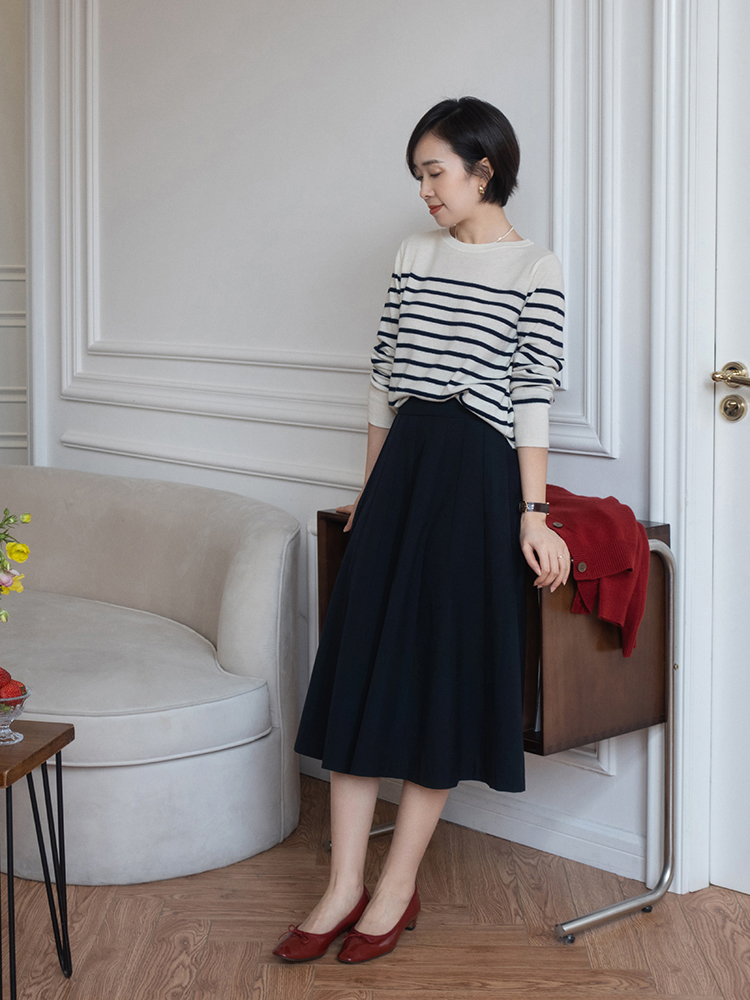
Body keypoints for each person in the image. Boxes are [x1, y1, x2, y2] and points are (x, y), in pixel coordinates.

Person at [274, 96, 571, 965]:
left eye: (435, 172)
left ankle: (396, 886)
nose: (425, 191)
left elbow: (531, 395)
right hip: (404, 470)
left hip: (477, 481)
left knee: (440, 678)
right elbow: (381, 379)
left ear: (485, 169)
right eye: (417, 176)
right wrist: (369, 493)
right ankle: (340, 887)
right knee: (362, 670)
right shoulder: (414, 254)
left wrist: (533, 513)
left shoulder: (536, 267)